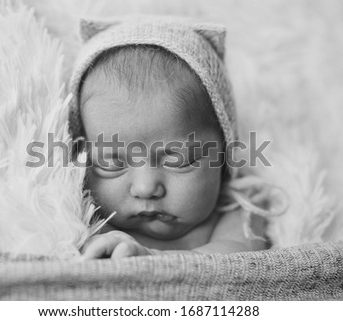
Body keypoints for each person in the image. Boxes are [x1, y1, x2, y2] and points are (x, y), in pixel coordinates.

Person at [69, 16, 283, 259]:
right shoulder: (87, 219)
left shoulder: (238, 208)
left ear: (224, 154)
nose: (146, 188)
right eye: (111, 163)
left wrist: (151, 257)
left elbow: (238, 260)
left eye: (177, 160)